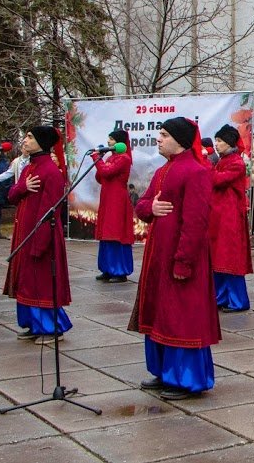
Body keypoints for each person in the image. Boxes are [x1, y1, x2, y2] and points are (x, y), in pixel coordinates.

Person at [131, 117, 220, 400]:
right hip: (159, 254)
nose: (158, 138)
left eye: (165, 134)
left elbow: (195, 222)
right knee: (161, 314)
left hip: (181, 258)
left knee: (182, 317)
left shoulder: (196, 172)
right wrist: (151, 207)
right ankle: (163, 371)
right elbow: (142, 205)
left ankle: (186, 379)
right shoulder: (162, 171)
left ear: (180, 141)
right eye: (159, 133)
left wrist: (184, 261)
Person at [4, 126, 73, 344]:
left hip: (41, 238)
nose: (25, 141)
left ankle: (52, 328)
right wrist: (23, 187)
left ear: (42, 142)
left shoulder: (51, 172)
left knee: (41, 284)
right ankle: (33, 324)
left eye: (30, 137)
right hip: (25, 235)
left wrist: (39, 244)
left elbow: (49, 212)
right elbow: (12, 196)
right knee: (27, 282)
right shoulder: (27, 169)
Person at [210, 124, 252, 312]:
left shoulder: (235, 162)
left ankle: (237, 300)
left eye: (219, 141)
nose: (216, 144)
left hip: (231, 217)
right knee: (219, 258)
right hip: (221, 216)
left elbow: (216, 180)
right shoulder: (223, 160)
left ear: (229, 143)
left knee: (230, 259)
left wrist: (205, 164)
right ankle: (221, 297)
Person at [92, 129, 135, 283]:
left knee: (116, 233)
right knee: (106, 232)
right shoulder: (111, 157)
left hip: (117, 199)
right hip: (108, 197)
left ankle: (120, 270)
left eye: (111, 139)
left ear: (120, 142)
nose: (109, 142)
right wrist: (101, 160)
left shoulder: (124, 158)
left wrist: (97, 158)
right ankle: (107, 269)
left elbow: (107, 172)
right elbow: (101, 176)